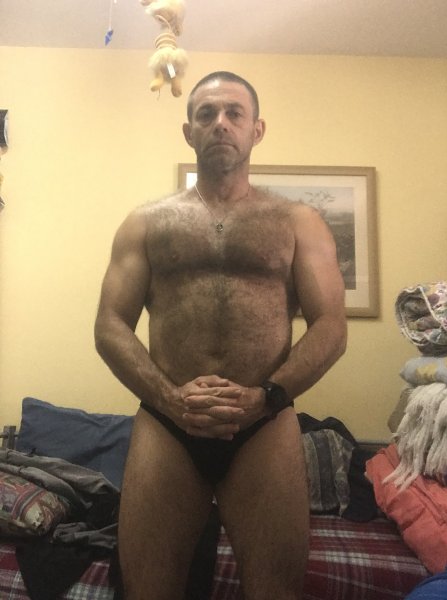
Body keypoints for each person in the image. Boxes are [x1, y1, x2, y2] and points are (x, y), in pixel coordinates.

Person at [94, 71, 347, 600]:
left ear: (257, 129)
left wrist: (266, 398)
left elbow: (331, 327)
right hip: (168, 422)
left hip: (264, 423)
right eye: (206, 114)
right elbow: (110, 325)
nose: (221, 123)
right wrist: (170, 398)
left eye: (234, 112)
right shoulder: (146, 223)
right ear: (189, 132)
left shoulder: (297, 221)